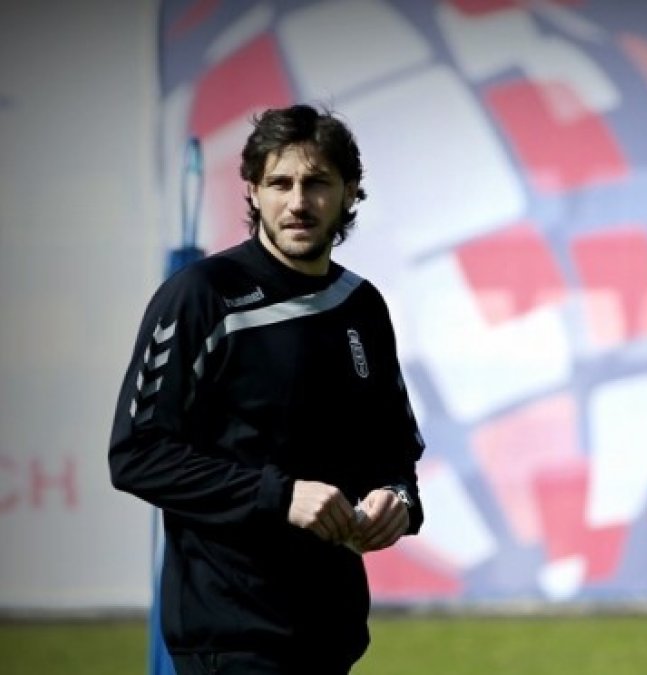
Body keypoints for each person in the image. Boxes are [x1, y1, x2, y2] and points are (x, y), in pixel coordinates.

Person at [109, 104, 426, 674]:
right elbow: (137, 454)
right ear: (253, 191)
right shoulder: (201, 296)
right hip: (231, 636)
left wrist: (398, 500)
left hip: (331, 634)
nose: (298, 201)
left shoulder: (362, 305)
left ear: (349, 192)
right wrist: (279, 496)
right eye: (280, 183)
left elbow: (393, 451)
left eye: (317, 182)